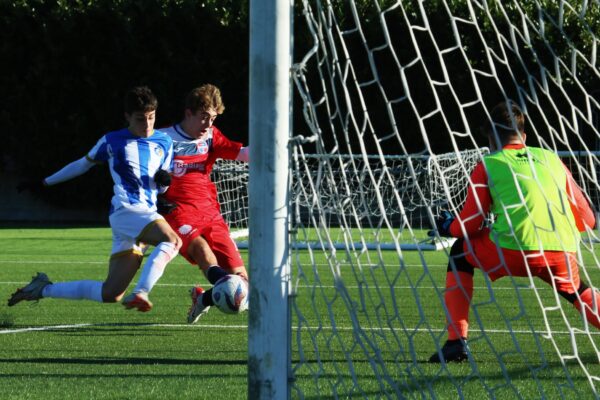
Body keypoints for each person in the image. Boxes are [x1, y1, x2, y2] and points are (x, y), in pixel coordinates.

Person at [429, 101, 598, 363]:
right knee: (576, 290)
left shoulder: (490, 163)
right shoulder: (551, 158)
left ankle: (456, 342)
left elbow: (471, 224)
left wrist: (446, 226)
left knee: (459, 253)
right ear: (524, 136)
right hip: (561, 250)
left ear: (491, 138)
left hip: (513, 249)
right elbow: (588, 218)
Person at [8, 86, 182, 312]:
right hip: (127, 210)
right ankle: (141, 292)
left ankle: (41, 289)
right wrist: (44, 182)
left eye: (151, 117)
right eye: (140, 119)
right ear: (127, 116)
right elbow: (82, 164)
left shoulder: (164, 142)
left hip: (142, 215)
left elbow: (160, 186)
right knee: (173, 240)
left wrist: (164, 184)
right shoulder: (112, 141)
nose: (147, 124)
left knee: (110, 293)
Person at [157, 83, 249, 323]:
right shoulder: (163, 138)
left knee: (243, 282)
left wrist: (276, 149)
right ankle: (218, 288)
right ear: (188, 113)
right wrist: (154, 196)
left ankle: (204, 298)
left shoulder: (211, 136)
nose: (209, 125)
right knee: (200, 248)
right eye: (204, 117)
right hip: (179, 211)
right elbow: (143, 173)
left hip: (210, 211)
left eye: (214, 119)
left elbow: (242, 154)